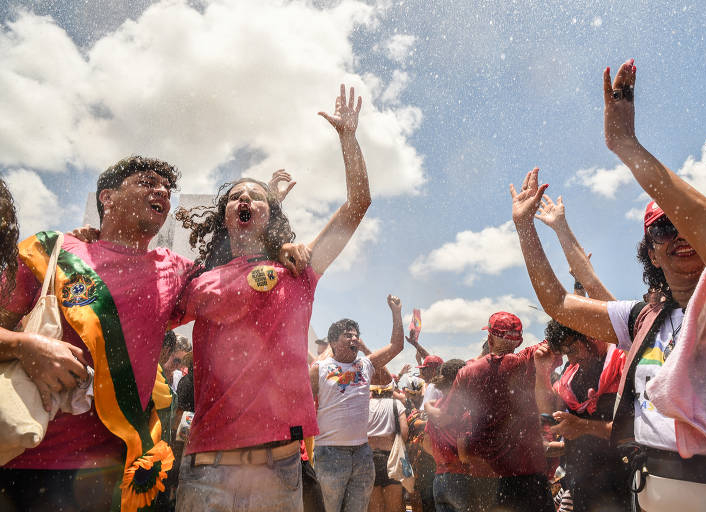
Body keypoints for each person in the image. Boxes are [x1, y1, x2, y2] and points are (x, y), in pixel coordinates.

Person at [511, 60, 706, 511]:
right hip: (650, 493)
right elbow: (556, 302)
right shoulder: (644, 319)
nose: (681, 235)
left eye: (691, 223)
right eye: (665, 230)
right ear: (651, 252)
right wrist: (524, 229)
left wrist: (629, 147)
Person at [172, 83, 371, 512]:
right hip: (207, 468)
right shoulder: (198, 282)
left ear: (270, 214)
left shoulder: (298, 272)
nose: (244, 198)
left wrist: (349, 140)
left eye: (256, 196)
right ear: (225, 215)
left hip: (279, 468)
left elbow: (358, 204)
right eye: (236, 197)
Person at [0, 157, 192, 511]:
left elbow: (234, 282)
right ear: (107, 197)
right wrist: (24, 345)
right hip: (26, 460)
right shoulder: (53, 253)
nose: (162, 191)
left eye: (167, 188)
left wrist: (282, 245)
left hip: (118, 475)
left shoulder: (176, 269)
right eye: (148, 182)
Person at [425, 312, 555, 512]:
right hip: (529, 470)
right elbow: (558, 333)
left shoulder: (468, 372)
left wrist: (427, 407)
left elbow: (445, 419)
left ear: (489, 338)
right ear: (519, 340)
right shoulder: (530, 358)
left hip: (486, 478)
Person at [310, 295, 405, 512]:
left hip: (362, 454)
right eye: (347, 335)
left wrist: (396, 312)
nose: (354, 339)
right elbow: (305, 405)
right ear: (333, 342)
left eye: (356, 336)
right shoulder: (320, 369)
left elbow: (396, 346)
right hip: (329, 453)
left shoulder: (366, 365)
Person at [537, 320, 628, 512]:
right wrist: (541, 372)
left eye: (572, 349)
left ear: (590, 334)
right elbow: (549, 414)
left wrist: (583, 426)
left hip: (618, 479)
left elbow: (632, 429)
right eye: (566, 352)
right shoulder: (571, 373)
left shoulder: (622, 362)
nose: (571, 359)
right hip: (580, 479)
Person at [422, 359, 467, 512]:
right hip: (462, 478)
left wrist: (443, 459)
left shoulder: (435, 405)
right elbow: (464, 454)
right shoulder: (464, 407)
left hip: (440, 478)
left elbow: (426, 443)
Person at [367, 369, 408, 512]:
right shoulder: (397, 405)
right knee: (393, 508)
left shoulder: (365, 405)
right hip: (392, 458)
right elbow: (404, 434)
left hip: (369, 458)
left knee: (374, 508)